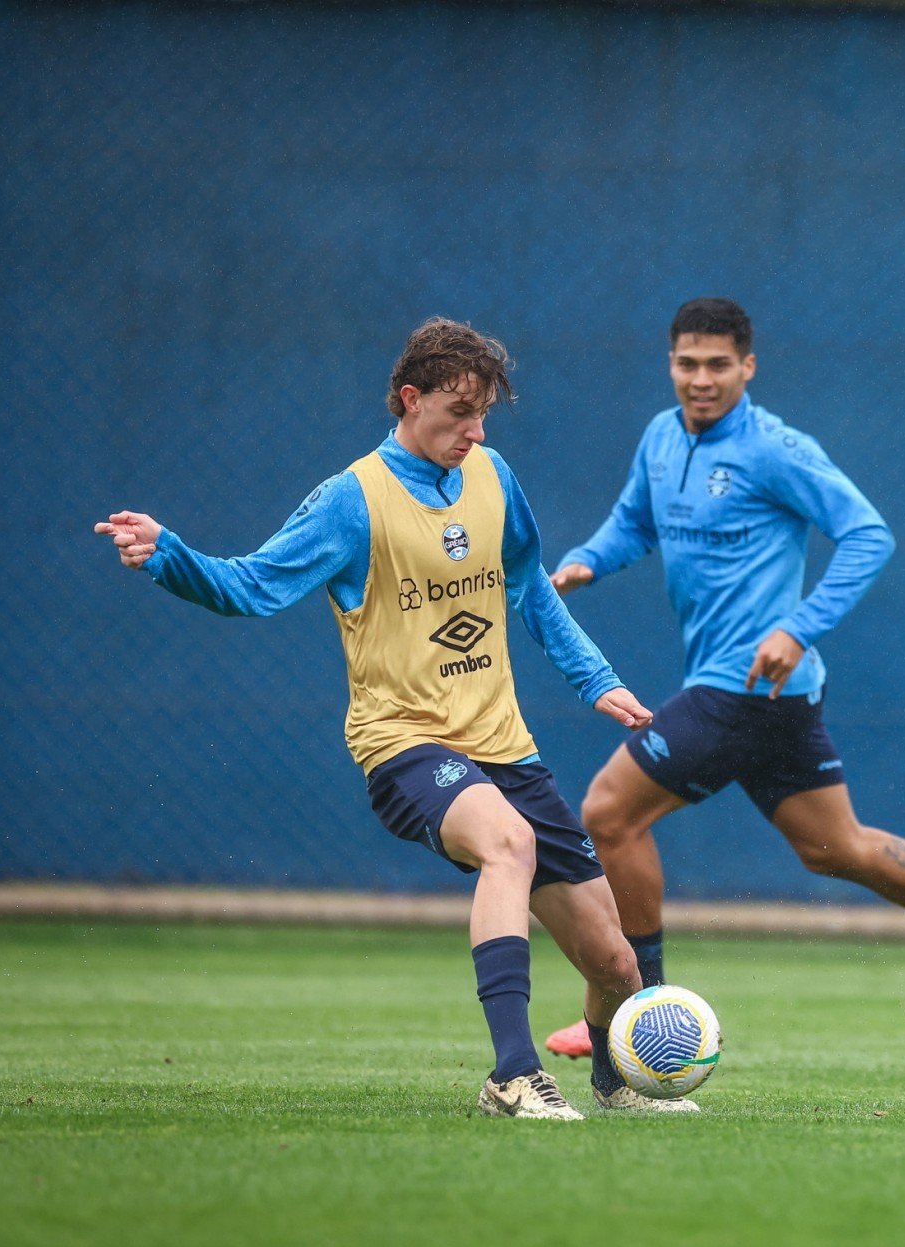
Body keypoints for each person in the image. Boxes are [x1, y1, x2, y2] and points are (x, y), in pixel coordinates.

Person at [95, 318, 665, 1121]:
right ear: (410, 398)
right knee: (509, 843)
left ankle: (613, 1083)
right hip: (404, 743)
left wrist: (595, 680)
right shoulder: (352, 499)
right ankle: (512, 1072)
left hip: (505, 746)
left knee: (616, 964)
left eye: (484, 414)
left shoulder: (494, 475)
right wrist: (167, 554)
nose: (475, 430)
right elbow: (250, 586)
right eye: (459, 411)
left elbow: (530, 588)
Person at [542, 298, 905, 1071]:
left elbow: (868, 533)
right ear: (671, 364)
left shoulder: (774, 449)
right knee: (836, 849)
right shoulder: (661, 438)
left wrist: (798, 626)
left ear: (748, 367)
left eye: (717, 365)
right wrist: (588, 560)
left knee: (609, 813)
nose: (700, 380)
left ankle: (638, 1004)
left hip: (748, 685)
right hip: (768, 697)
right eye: (686, 364)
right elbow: (635, 522)